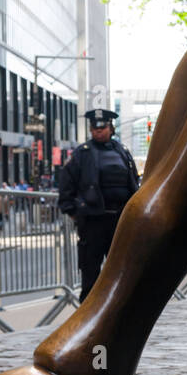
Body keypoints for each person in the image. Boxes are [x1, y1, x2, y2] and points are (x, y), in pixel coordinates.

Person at [57, 108, 141, 302]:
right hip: (93, 220)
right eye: (94, 128)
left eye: (102, 128)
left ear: (111, 128)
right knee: (91, 272)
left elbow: (133, 181)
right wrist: (72, 211)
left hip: (120, 220)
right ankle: (87, 314)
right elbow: (66, 183)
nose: (98, 131)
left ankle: (120, 308)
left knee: (121, 269)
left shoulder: (123, 152)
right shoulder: (82, 153)